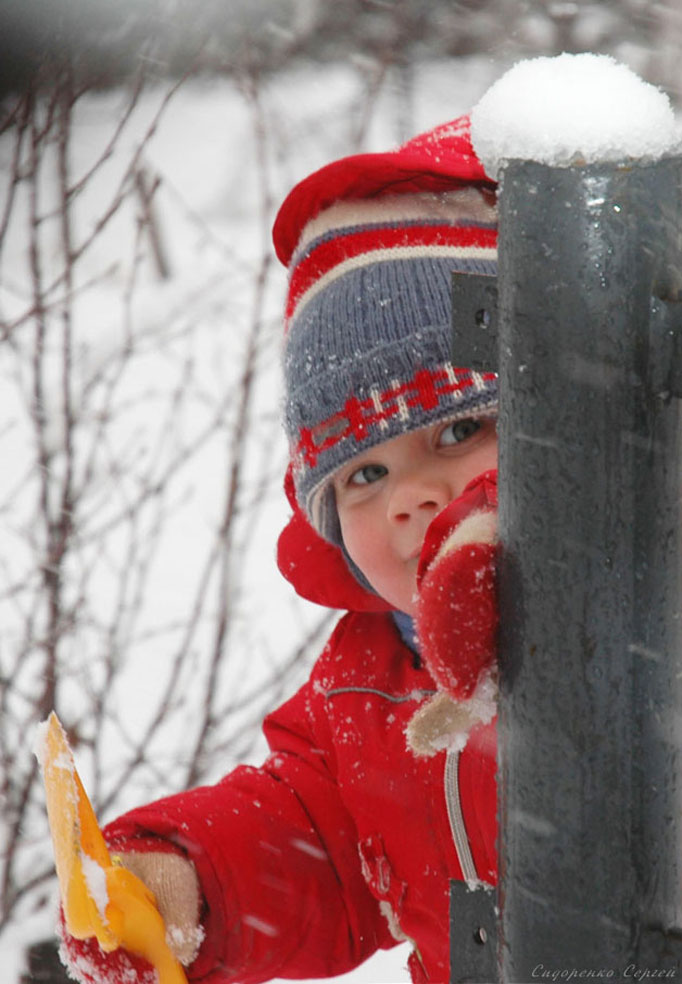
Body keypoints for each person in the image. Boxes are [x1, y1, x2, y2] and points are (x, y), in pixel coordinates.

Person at [59, 111, 500, 984]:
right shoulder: (367, 683)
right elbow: (322, 843)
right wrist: (186, 884)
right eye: (364, 476)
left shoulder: (647, 603)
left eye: (463, 430)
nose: (413, 498)